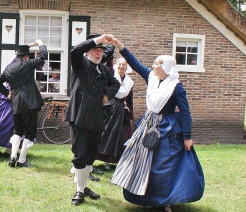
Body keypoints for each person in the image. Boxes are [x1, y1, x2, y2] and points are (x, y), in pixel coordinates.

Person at [110, 37, 204, 212]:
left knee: (163, 166)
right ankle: (143, 195)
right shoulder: (151, 77)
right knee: (141, 162)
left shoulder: (176, 87)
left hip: (166, 129)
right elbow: (135, 64)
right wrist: (119, 46)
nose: (153, 67)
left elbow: (185, 114)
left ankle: (164, 200)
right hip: (147, 124)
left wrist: (187, 137)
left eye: (156, 65)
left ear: (165, 68)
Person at [65, 34, 120, 206]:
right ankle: (79, 190)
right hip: (79, 115)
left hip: (97, 117)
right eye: (95, 50)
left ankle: (84, 186)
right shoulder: (80, 64)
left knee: (91, 154)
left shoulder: (103, 70)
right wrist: (100, 39)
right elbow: (75, 50)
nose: (99, 54)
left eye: (101, 51)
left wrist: (106, 96)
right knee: (80, 154)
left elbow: (115, 84)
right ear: (88, 51)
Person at [0, 40, 47, 168]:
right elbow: (43, 56)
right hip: (30, 102)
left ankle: (12, 156)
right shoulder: (27, 64)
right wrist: (41, 43)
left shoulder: (9, 68)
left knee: (17, 131)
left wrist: (7, 93)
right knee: (29, 133)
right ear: (26, 56)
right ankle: (22, 160)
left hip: (16, 102)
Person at [97, 57, 135, 171]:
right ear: (116, 65)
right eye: (119, 64)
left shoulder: (129, 81)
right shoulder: (111, 77)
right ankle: (104, 161)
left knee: (120, 137)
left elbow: (130, 99)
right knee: (107, 134)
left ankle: (116, 161)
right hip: (110, 107)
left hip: (122, 111)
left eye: (124, 65)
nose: (121, 67)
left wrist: (131, 114)